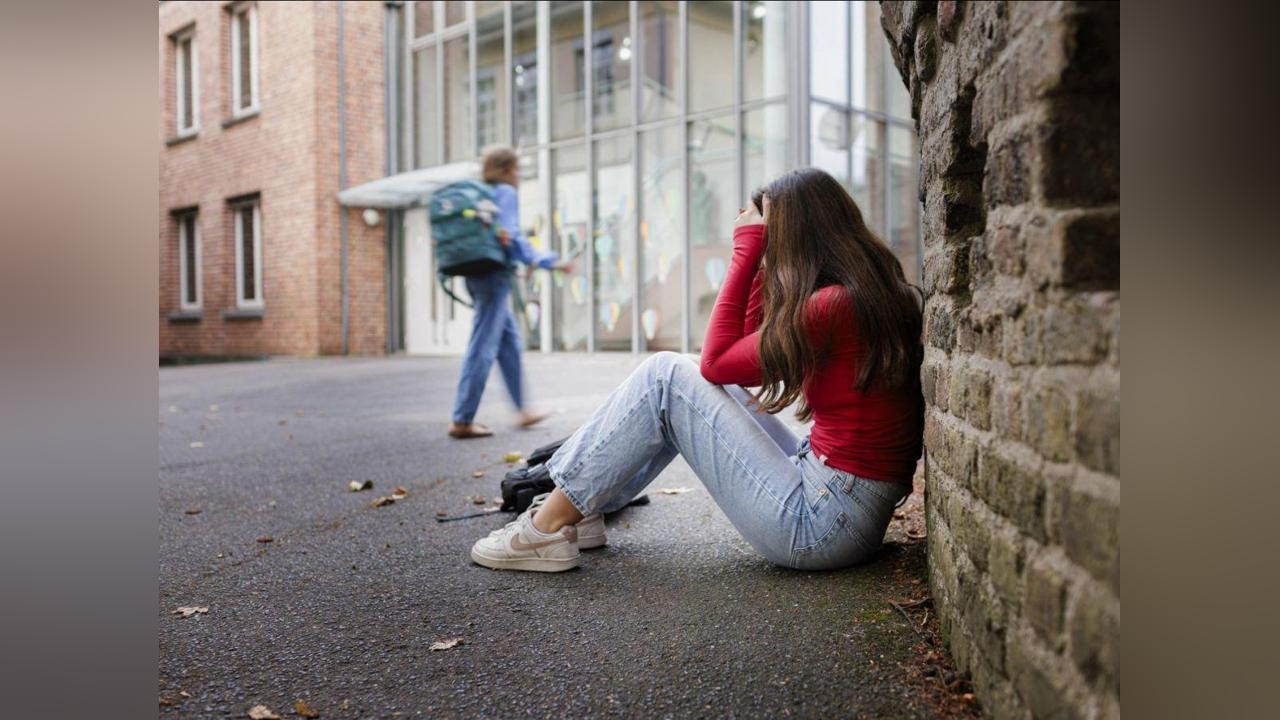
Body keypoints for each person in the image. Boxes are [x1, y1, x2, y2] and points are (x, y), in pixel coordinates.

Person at [469, 167, 925, 572]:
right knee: (683, 373)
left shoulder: (830, 306)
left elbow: (718, 359)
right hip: (840, 505)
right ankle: (583, 508)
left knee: (667, 376)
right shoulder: (862, 292)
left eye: (770, 233)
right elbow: (735, 372)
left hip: (820, 524)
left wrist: (746, 254)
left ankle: (545, 528)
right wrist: (763, 267)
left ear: (793, 237)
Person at [448, 147, 571, 440]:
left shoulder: (482, 193)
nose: (518, 175)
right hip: (493, 277)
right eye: (516, 169)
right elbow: (512, 235)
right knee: (482, 346)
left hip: (478, 273)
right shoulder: (503, 191)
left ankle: (522, 409)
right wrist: (546, 261)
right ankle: (462, 418)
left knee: (508, 344)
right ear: (504, 170)